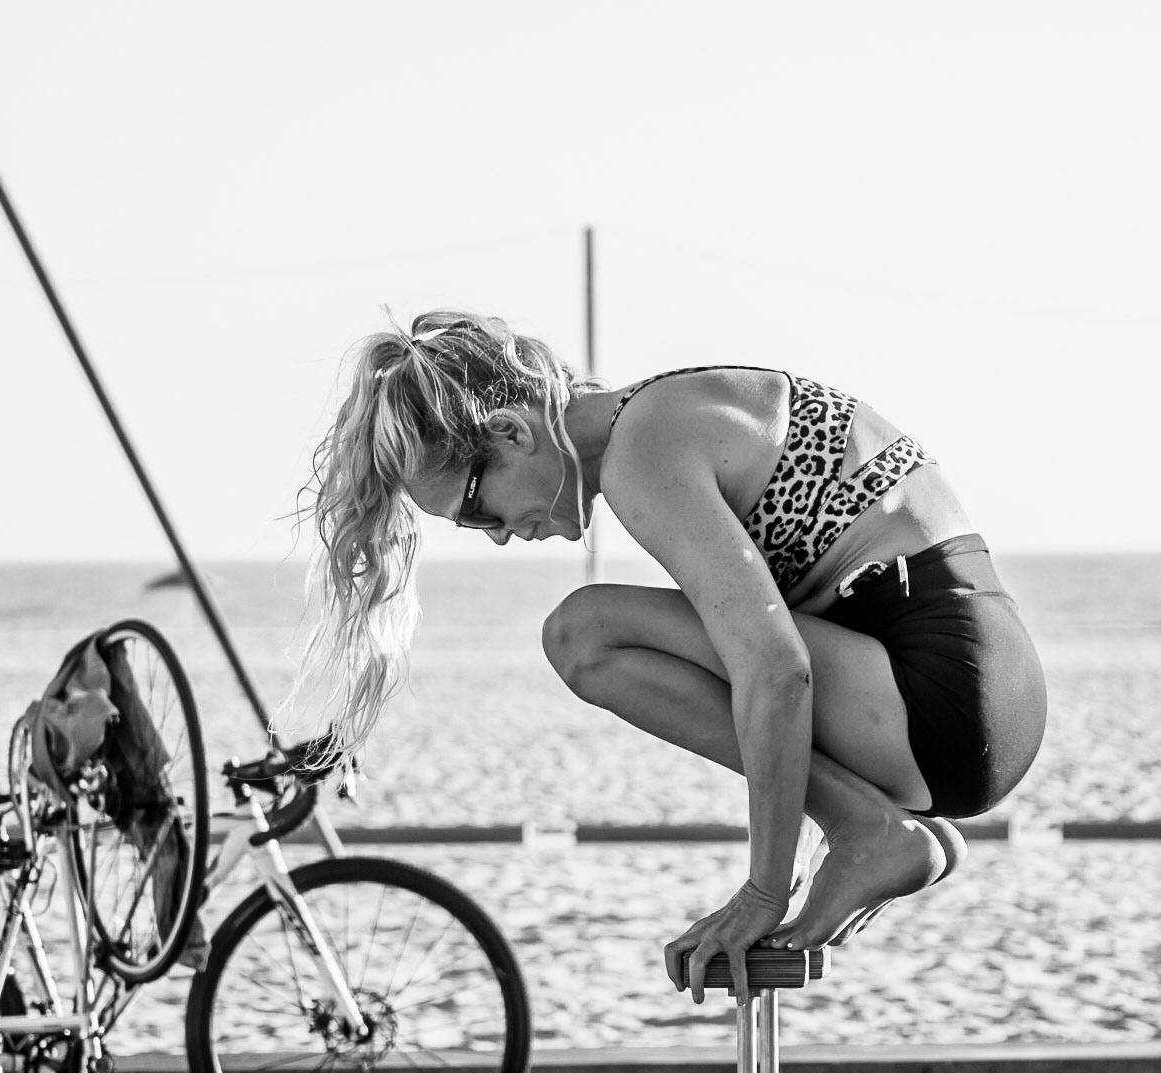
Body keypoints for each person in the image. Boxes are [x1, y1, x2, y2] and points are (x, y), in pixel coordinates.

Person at [303, 312, 1047, 1001]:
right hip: (985, 683)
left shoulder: (642, 453)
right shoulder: (666, 409)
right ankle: (871, 828)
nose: (496, 534)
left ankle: (868, 830)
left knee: (582, 634)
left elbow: (776, 669)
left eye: (476, 509)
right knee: (600, 629)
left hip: (944, 696)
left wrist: (763, 891)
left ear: (509, 433)